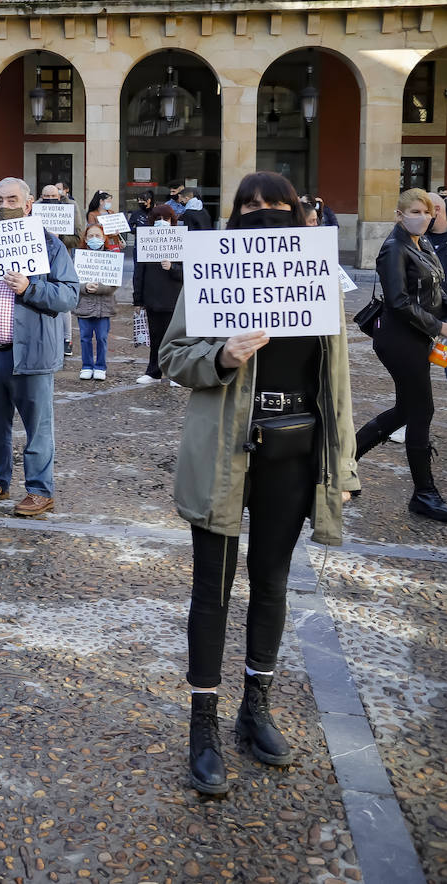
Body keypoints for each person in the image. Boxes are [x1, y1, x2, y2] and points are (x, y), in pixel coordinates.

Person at [159, 170, 358, 795]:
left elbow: (340, 384)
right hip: (222, 451)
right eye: (249, 206)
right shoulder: (212, 273)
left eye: (276, 204)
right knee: (210, 590)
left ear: (297, 212)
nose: (263, 213)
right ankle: (204, 728)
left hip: (293, 451)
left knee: (272, 583)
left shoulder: (318, 277)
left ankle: (256, 709)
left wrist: (343, 465)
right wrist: (221, 356)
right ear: (234, 216)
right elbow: (171, 358)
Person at [0, 177, 80, 516]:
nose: (4, 205)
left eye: (11, 199)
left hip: (30, 353)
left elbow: (69, 295)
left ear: (28, 203)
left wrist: (28, 289)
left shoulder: (49, 245)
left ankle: (40, 489)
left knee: (37, 427)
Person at [353, 188, 447, 521]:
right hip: (398, 339)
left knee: (406, 410)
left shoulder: (422, 245)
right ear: (399, 214)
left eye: (428, 213)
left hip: (416, 338)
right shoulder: (394, 249)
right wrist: (440, 326)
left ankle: (341, 462)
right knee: (421, 411)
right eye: (416, 212)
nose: (423, 218)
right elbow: (399, 302)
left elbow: (437, 289)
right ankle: (424, 494)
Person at [134, 205, 184, 386]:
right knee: (156, 337)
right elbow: (139, 272)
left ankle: (175, 374)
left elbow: (188, 272)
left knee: (175, 337)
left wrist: (173, 268)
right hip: (152, 298)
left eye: (166, 219)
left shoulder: (181, 241)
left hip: (174, 298)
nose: (162, 222)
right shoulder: (146, 241)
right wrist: (137, 299)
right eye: (157, 219)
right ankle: (154, 372)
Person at [75, 222, 119, 381]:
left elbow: (114, 283)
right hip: (84, 306)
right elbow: (72, 281)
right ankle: (86, 365)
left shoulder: (111, 256)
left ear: (104, 238)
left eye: (98, 236)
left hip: (104, 307)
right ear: (85, 239)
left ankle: (100, 366)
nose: (94, 239)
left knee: (102, 337)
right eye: (91, 236)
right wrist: (85, 287)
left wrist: (99, 288)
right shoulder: (79, 258)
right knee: (85, 337)